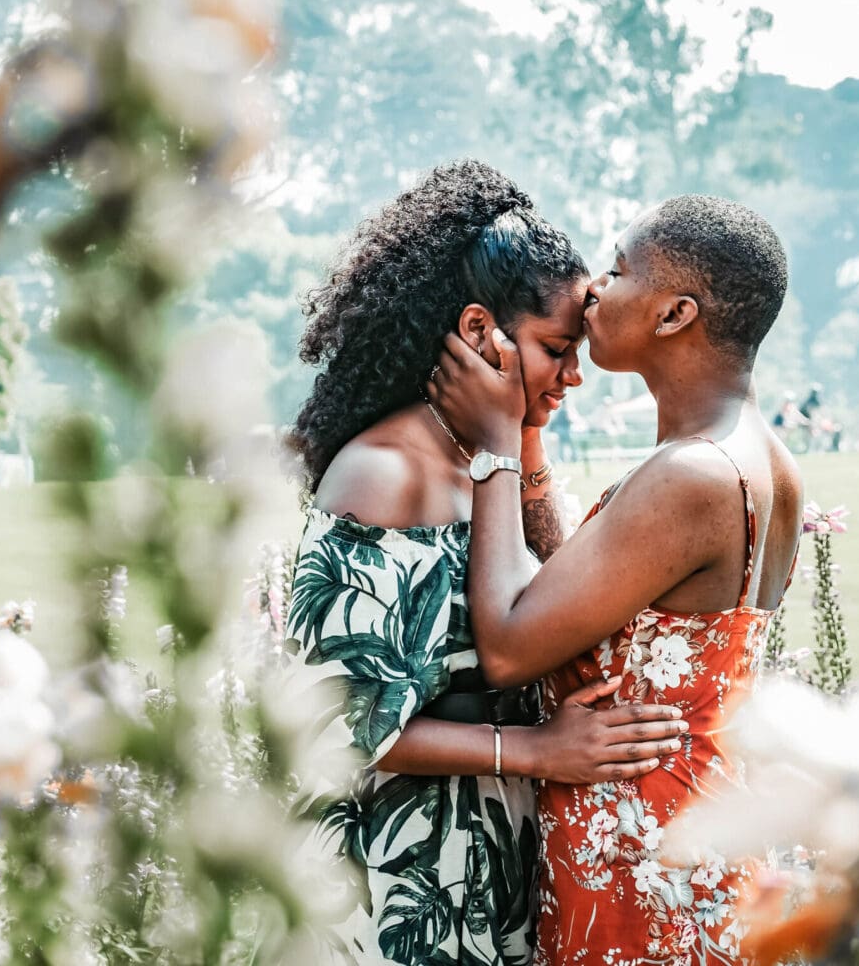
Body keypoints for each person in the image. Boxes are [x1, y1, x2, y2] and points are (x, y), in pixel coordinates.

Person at [285, 161, 688, 965]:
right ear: (479, 333)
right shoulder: (382, 475)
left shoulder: (484, 467)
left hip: (489, 862)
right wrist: (538, 751)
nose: (574, 375)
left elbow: (561, 598)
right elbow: (338, 722)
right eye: (555, 349)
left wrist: (516, 437)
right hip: (393, 882)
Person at [429, 194, 803, 965]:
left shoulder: (693, 475)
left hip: (643, 860)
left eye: (618, 269)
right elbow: (586, 597)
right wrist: (531, 432)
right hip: (688, 832)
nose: (595, 288)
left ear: (673, 315)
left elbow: (507, 644)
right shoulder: (762, 459)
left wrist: (495, 439)